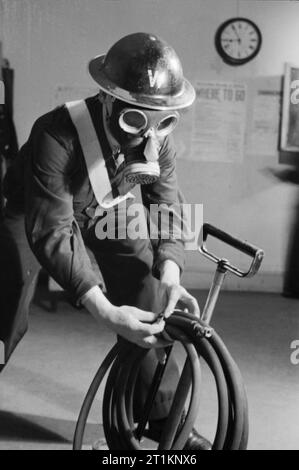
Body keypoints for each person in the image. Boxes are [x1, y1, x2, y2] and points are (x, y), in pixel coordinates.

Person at [0, 32, 211, 450]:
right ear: (110, 101)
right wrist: (104, 310)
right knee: (3, 302)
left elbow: (166, 206)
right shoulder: (54, 133)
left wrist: (170, 275)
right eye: (137, 119)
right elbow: (53, 229)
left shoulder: (158, 141)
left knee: (146, 280)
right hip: (36, 210)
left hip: (104, 206)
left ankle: (161, 416)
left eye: (161, 119)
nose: (148, 134)